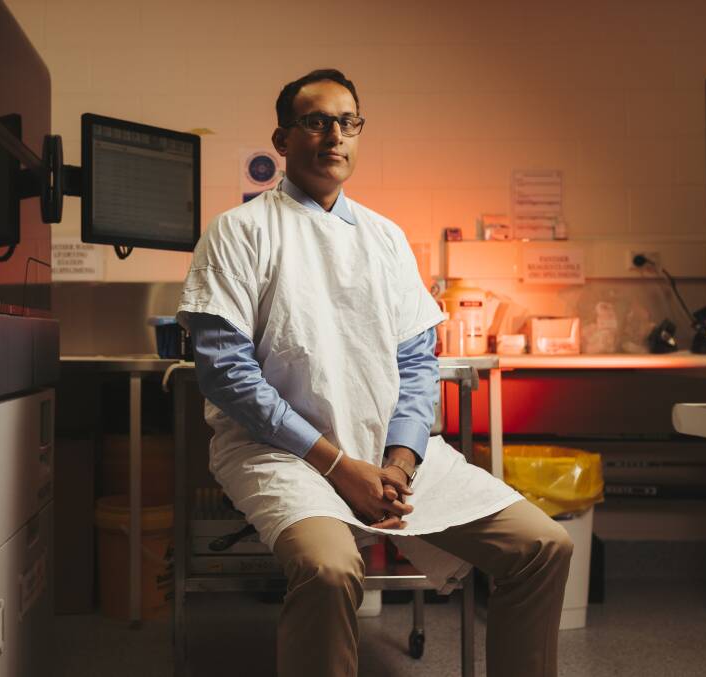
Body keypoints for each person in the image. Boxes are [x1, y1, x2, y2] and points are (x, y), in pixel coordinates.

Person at [176, 69, 573, 677]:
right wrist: (338, 465)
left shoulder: (386, 239)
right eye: (315, 121)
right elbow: (228, 374)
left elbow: (417, 363)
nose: (333, 135)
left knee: (543, 547)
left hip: (389, 456)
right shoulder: (241, 232)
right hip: (281, 455)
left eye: (347, 122)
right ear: (282, 140)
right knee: (330, 568)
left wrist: (400, 462)